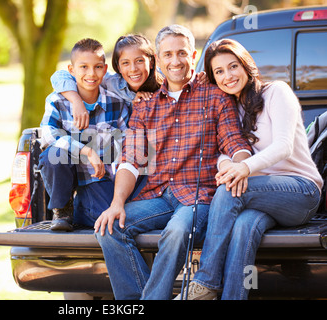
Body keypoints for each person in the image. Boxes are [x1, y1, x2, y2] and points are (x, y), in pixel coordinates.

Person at [93, 25, 252, 300]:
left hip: (198, 198)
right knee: (108, 229)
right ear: (159, 60)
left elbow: (235, 143)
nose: (175, 61)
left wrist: (242, 165)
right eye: (168, 54)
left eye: (181, 53)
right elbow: (131, 159)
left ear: (193, 55)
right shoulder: (145, 105)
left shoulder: (215, 97)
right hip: (158, 196)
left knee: (176, 232)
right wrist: (117, 204)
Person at [181, 39, 323, 300]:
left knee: (227, 192)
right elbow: (223, 152)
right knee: (244, 226)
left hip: (300, 192)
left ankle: (207, 280)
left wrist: (243, 168)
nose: (228, 76)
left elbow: (283, 146)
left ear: (246, 65)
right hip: (259, 197)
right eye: (219, 72)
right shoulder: (230, 109)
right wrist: (228, 167)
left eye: (233, 66)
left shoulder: (276, 92)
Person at [38, 38, 129, 231]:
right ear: (71, 70)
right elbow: (48, 134)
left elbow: (125, 143)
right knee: (53, 155)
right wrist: (87, 151)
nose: (91, 73)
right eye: (83, 67)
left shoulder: (115, 103)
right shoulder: (57, 100)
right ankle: (63, 208)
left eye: (97, 67)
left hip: (97, 177)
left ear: (105, 70)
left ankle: (81, 208)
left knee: (110, 218)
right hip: (68, 172)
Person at [51, 34, 164, 131]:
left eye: (139, 61)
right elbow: (59, 76)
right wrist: (76, 101)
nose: (133, 69)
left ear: (151, 62)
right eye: (125, 63)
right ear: (118, 67)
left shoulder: (164, 84)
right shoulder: (111, 82)